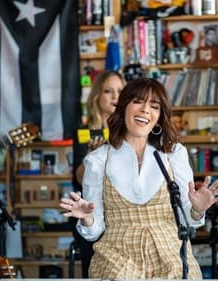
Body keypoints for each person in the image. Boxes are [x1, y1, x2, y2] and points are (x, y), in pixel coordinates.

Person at [62, 78, 218, 279]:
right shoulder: (97, 160)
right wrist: (86, 218)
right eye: (138, 101)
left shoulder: (173, 154)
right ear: (123, 108)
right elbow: (95, 231)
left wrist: (198, 209)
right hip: (116, 257)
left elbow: (188, 221)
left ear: (159, 116)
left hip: (171, 254)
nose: (146, 110)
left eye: (154, 106)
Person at [71, 70, 124, 277]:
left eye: (120, 91)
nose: (115, 97)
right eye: (108, 91)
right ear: (97, 96)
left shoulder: (130, 131)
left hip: (120, 210)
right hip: (90, 209)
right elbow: (78, 178)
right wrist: (91, 158)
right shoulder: (83, 132)